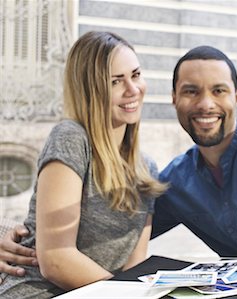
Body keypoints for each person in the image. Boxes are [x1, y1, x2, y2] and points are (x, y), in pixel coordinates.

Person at [0, 45, 237, 279]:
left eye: (219, 90)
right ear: (174, 98)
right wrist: (17, 237)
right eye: (191, 91)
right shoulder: (174, 181)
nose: (206, 104)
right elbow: (105, 226)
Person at [0, 31, 166, 298]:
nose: (133, 90)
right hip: (38, 291)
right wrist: (126, 294)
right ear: (92, 90)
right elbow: (56, 259)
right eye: (115, 82)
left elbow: (135, 269)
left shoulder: (147, 169)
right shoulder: (71, 138)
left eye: (135, 75)